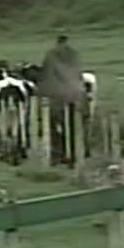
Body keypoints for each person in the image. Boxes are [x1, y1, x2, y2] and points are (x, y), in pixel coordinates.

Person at [38, 31, 86, 165]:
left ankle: (57, 155)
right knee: (73, 125)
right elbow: (77, 72)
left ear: (57, 41)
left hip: (57, 94)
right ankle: (74, 153)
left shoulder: (51, 54)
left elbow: (47, 73)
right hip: (75, 93)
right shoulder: (74, 54)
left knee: (54, 125)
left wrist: (43, 91)